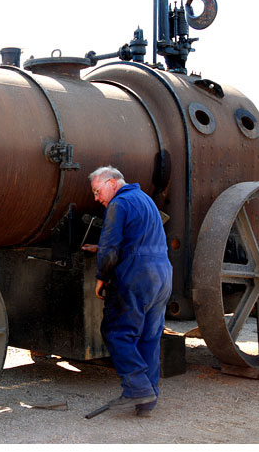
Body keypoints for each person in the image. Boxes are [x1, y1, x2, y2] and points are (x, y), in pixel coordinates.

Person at [81, 166, 172, 417]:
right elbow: (137, 239)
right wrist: (100, 248)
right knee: (149, 338)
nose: (96, 198)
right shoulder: (146, 200)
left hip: (137, 276)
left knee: (117, 332)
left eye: (97, 191)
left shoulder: (118, 205)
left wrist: (102, 277)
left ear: (112, 183)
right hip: (162, 275)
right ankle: (147, 401)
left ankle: (137, 387)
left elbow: (112, 248)